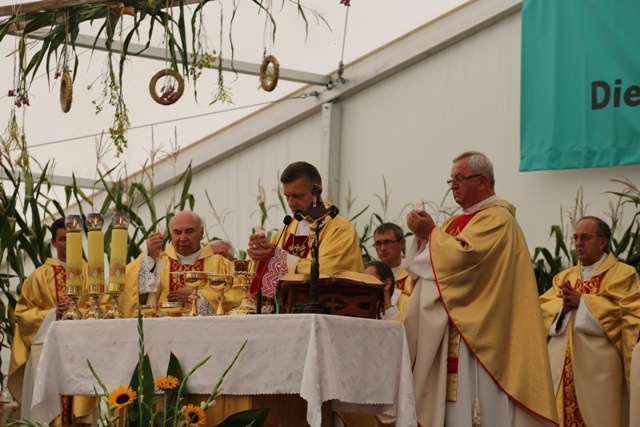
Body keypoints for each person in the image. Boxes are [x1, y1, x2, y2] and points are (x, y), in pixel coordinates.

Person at [404, 151, 558, 426]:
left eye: (459, 179)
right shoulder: (453, 222)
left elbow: (465, 261)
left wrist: (431, 235)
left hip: (482, 336)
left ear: (482, 181)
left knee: (476, 408)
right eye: (450, 181)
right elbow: (424, 266)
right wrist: (424, 236)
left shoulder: (498, 220)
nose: (453, 187)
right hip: (451, 329)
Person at [540, 216, 639, 427]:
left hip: (600, 373)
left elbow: (627, 312)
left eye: (585, 238)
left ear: (602, 242)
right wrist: (563, 309)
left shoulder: (623, 274)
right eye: (575, 238)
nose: (578, 244)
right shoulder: (564, 277)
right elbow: (543, 311)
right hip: (562, 370)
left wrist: (583, 302)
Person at [8, 218, 94, 425]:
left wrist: (75, 311)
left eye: (73, 238)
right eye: (63, 239)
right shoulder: (39, 276)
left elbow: (102, 307)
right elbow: (23, 313)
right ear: (53, 242)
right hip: (47, 351)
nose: (68, 243)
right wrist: (53, 313)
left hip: (80, 350)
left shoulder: (91, 274)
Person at [247, 161, 364, 297]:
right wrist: (261, 256)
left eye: (297, 196)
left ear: (317, 190)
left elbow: (328, 272)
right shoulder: (285, 230)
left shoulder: (340, 229)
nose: (291, 203)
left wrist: (279, 258)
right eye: (287, 196)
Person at [121, 210, 241, 317]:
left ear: (201, 232)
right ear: (171, 234)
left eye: (189, 231)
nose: (183, 238)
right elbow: (130, 290)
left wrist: (198, 298)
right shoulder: (157, 261)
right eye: (177, 232)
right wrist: (150, 258)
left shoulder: (221, 264)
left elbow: (237, 297)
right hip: (163, 332)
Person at [372, 223, 414, 316]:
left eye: (387, 242)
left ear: (402, 243)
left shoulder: (414, 272)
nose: (382, 248)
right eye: (378, 243)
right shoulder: (369, 274)